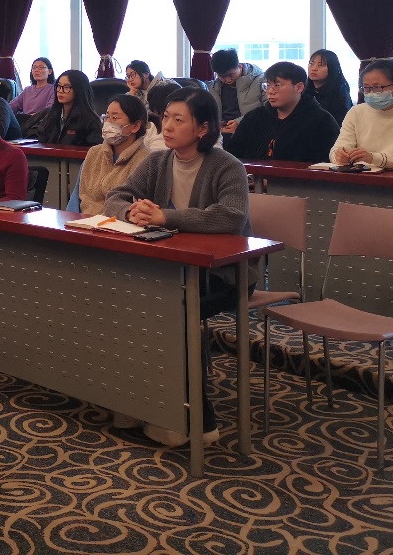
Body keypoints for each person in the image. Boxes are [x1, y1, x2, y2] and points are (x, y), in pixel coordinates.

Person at [104, 86, 253, 447]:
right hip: (169, 269)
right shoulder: (157, 162)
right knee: (124, 299)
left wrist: (165, 217)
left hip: (222, 274)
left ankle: (196, 419)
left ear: (202, 128)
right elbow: (115, 197)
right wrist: (132, 212)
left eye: (178, 120)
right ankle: (139, 403)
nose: (167, 126)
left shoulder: (227, 166)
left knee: (168, 309)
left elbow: (231, 217)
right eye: (166, 117)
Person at [225, 61, 340, 164]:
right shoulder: (255, 117)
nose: (270, 91)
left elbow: (323, 165)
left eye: (277, 85)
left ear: (299, 87)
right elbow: (232, 155)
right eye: (267, 85)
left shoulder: (322, 122)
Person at [331, 59, 393, 170]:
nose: (371, 93)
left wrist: (373, 158)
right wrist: (339, 156)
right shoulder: (356, 112)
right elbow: (337, 149)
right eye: (366, 88)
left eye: (378, 87)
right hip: (363, 177)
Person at [77, 94, 150, 215]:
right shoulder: (94, 153)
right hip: (84, 220)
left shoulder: (146, 160)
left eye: (115, 118)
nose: (108, 122)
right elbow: (76, 198)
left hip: (118, 223)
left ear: (135, 126)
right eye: (107, 117)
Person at [28, 70, 102, 146]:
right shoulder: (50, 114)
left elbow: (94, 150)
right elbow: (40, 139)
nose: (60, 91)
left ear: (79, 90)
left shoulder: (90, 121)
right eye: (59, 86)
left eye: (66, 87)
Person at [206, 49, 267, 135]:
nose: (227, 80)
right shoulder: (213, 87)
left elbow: (268, 109)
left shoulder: (261, 80)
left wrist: (240, 123)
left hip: (251, 130)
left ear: (240, 67)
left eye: (231, 75)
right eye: (222, 76)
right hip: (222, 132)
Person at [305, 49, 353, 124]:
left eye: (321, 65)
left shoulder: (339, 93)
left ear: (332, 68)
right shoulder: (303, 91)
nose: (314, 68)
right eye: (311, 63)